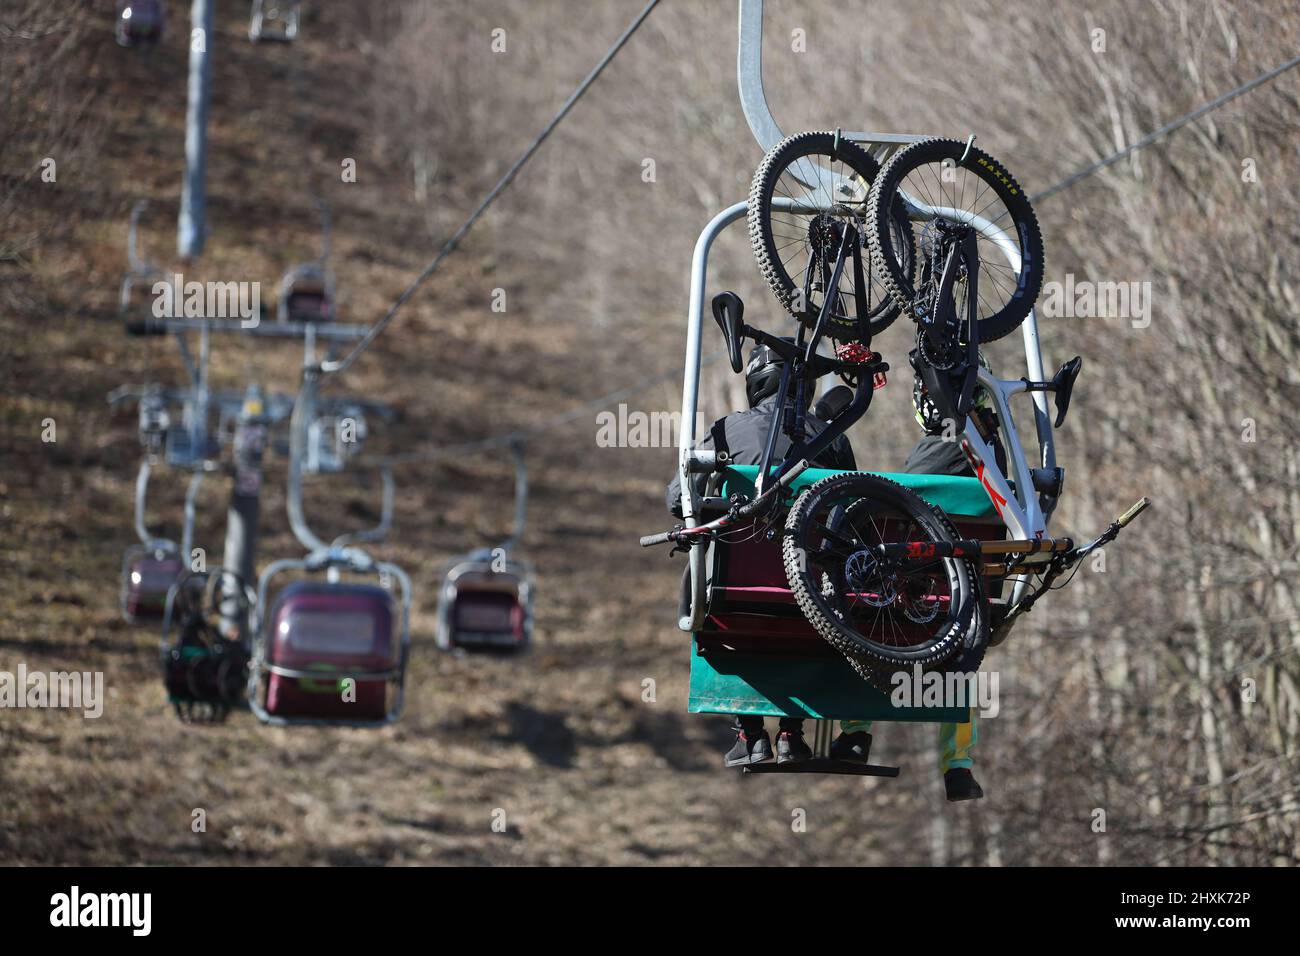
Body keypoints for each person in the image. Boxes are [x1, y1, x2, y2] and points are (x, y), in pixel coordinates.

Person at [666, 340, 862, 768]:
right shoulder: (830, 438)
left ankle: (750, 734)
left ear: (758, 379)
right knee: (810, 624)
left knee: (719, 598)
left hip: (731, 597)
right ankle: (792, 734)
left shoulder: (725, 431)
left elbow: (680, 495)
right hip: (812, 597)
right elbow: (855, 503)